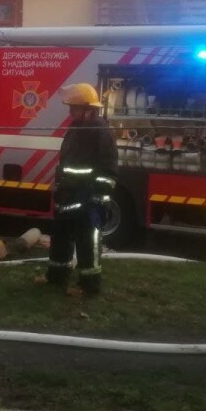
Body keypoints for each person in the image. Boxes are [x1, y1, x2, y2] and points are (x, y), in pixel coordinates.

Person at [46, 83, 120, 295]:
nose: (70, 112)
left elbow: (109, 169)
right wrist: (60, 185)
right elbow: (67, 162)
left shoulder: (100, 132)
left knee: (87, 242)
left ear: (89, 109)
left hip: (87, 197)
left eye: (74, 108)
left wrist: (98, 197)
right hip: (68, 195)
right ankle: (56, 278)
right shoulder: (76, 128)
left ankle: (89, 286)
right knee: (60, 238)